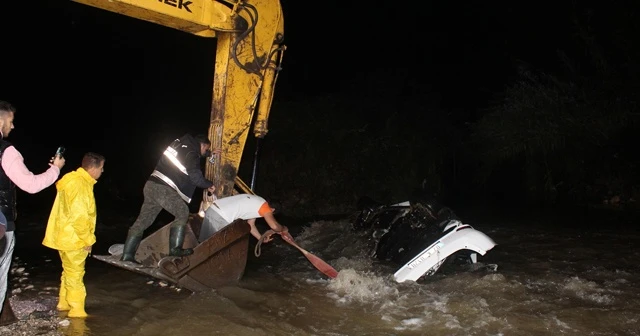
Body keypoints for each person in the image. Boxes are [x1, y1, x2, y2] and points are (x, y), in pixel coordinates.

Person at [0, 100, 65, 318]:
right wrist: (55, 169)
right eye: (11, 121)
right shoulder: (7, 151)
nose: (13, 126)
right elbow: (31, 185)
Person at [121, 133, 216, 263]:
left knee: (143, 221)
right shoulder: (192, 154)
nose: (206, 152)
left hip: (151, 185)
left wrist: (210, 154)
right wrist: (209, 184)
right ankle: (175, 250)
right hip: (163, 189)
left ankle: (127, 255)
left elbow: (192, 155)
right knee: (182, 212)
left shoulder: (180, 143)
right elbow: (196, 178)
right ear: (203, 145)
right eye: (206, 149)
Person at [42, 152, 105, 318]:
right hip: (74, 239)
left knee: (68, 271)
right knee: (76, 274)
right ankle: (77, 311)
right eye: (101, 168)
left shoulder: (71, 180)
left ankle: (64, 303)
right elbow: (80, 216)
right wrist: (88, 240)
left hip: (63, 236)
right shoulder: (80, 185)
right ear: (93, 168)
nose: (102, 171)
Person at [199, 194, 287, 242]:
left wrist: (260, 238)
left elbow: (251, 225)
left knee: (204, 244)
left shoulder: (258, 202)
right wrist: (283, 229)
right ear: (272, 209)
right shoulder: (265, 207)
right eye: (271, 214)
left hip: (212, 210)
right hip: (221, 216)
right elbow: (274, 226)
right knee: (218, 246)